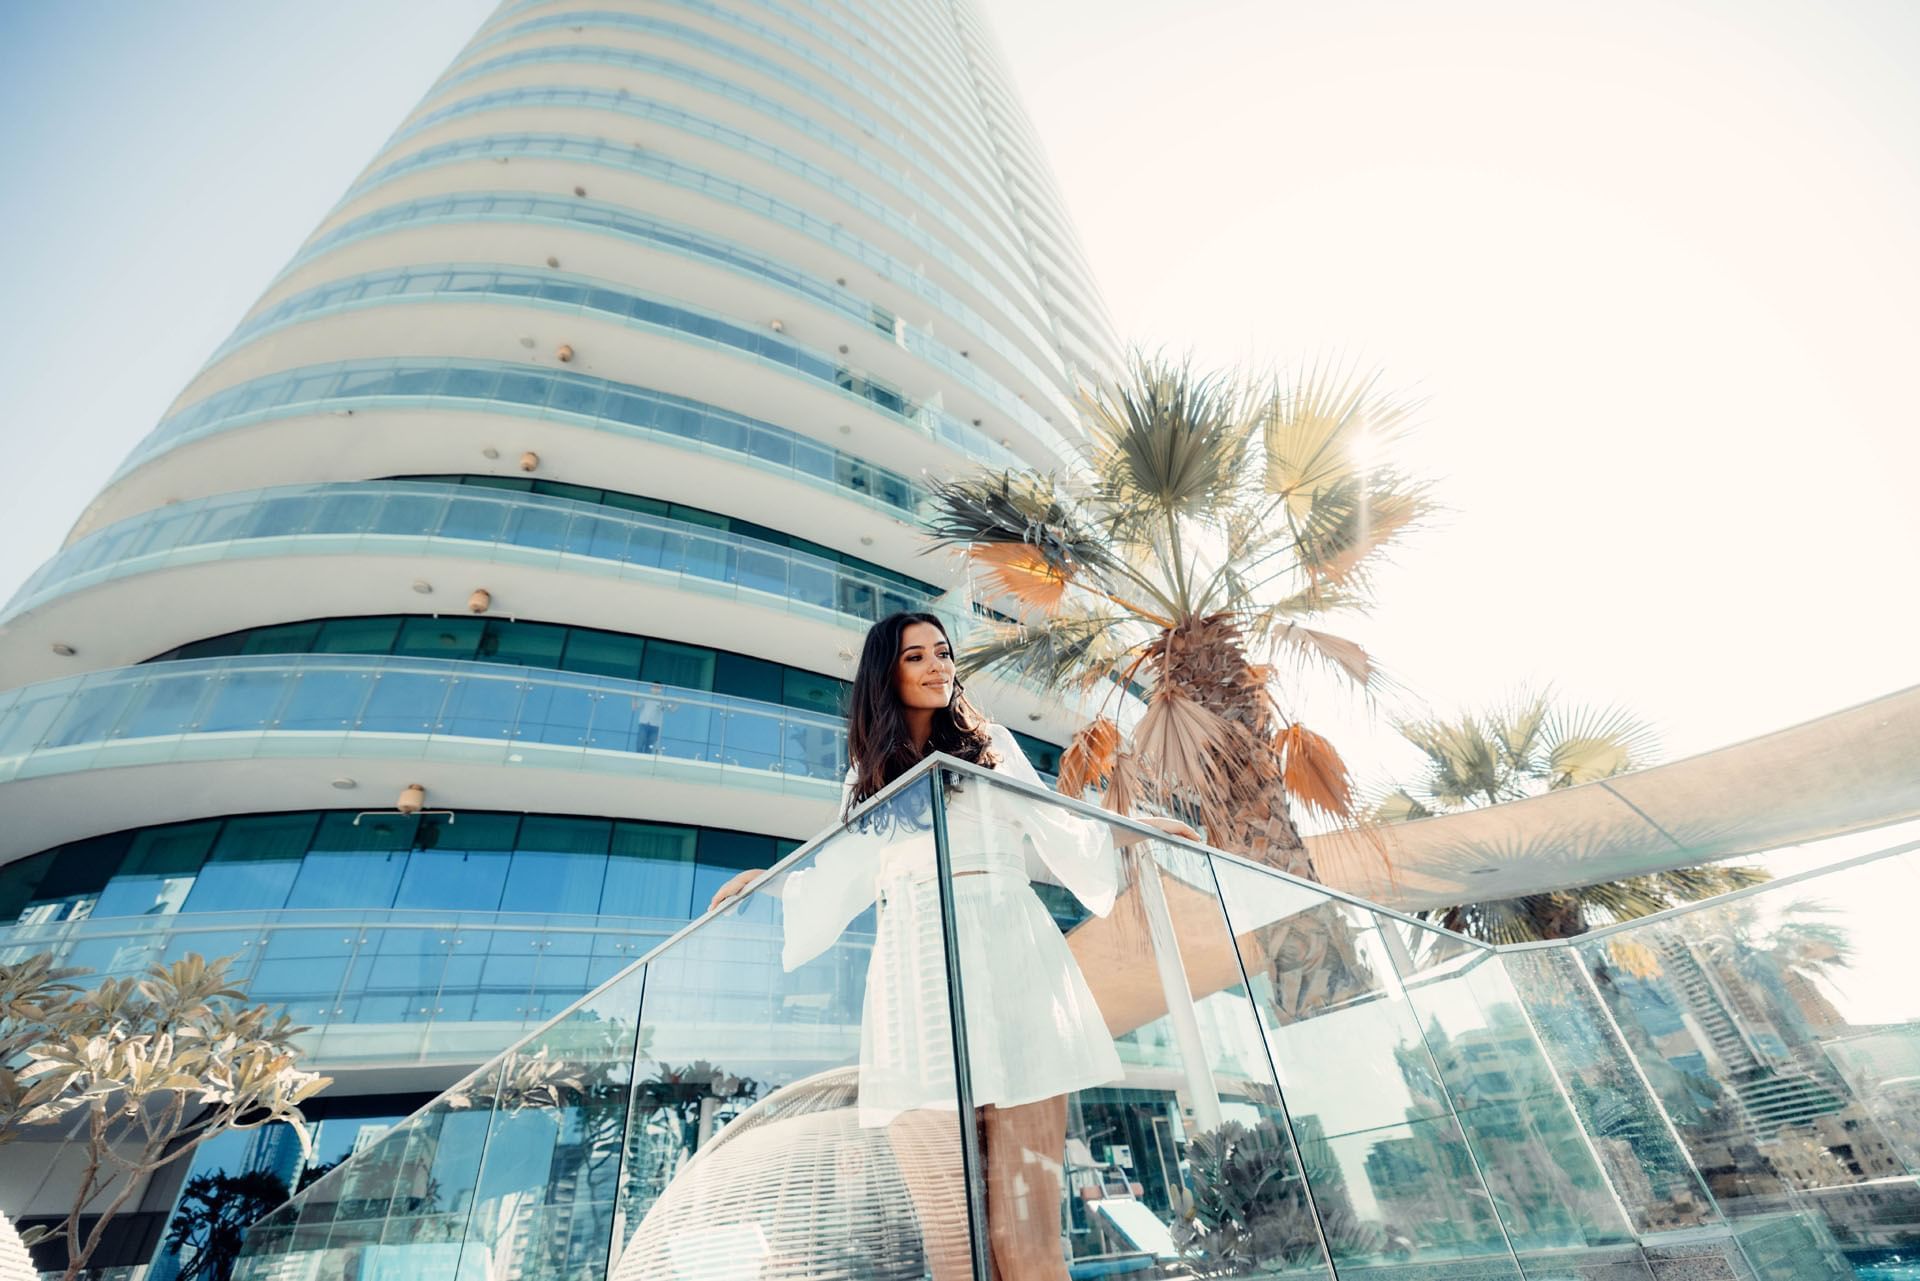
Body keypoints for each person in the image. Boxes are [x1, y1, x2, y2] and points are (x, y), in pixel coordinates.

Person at [707, 611, 1195, 1279]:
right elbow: (837, 875)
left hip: (1012, 970)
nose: (939, 665)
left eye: (943, 651)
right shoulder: (867, 781)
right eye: (917, 656)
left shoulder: (989, 745)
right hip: (917, 986)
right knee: (953, 1246)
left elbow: (1055, 824)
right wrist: (768, 883)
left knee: (1024, 1240)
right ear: (887, 673)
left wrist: (1131, 826)